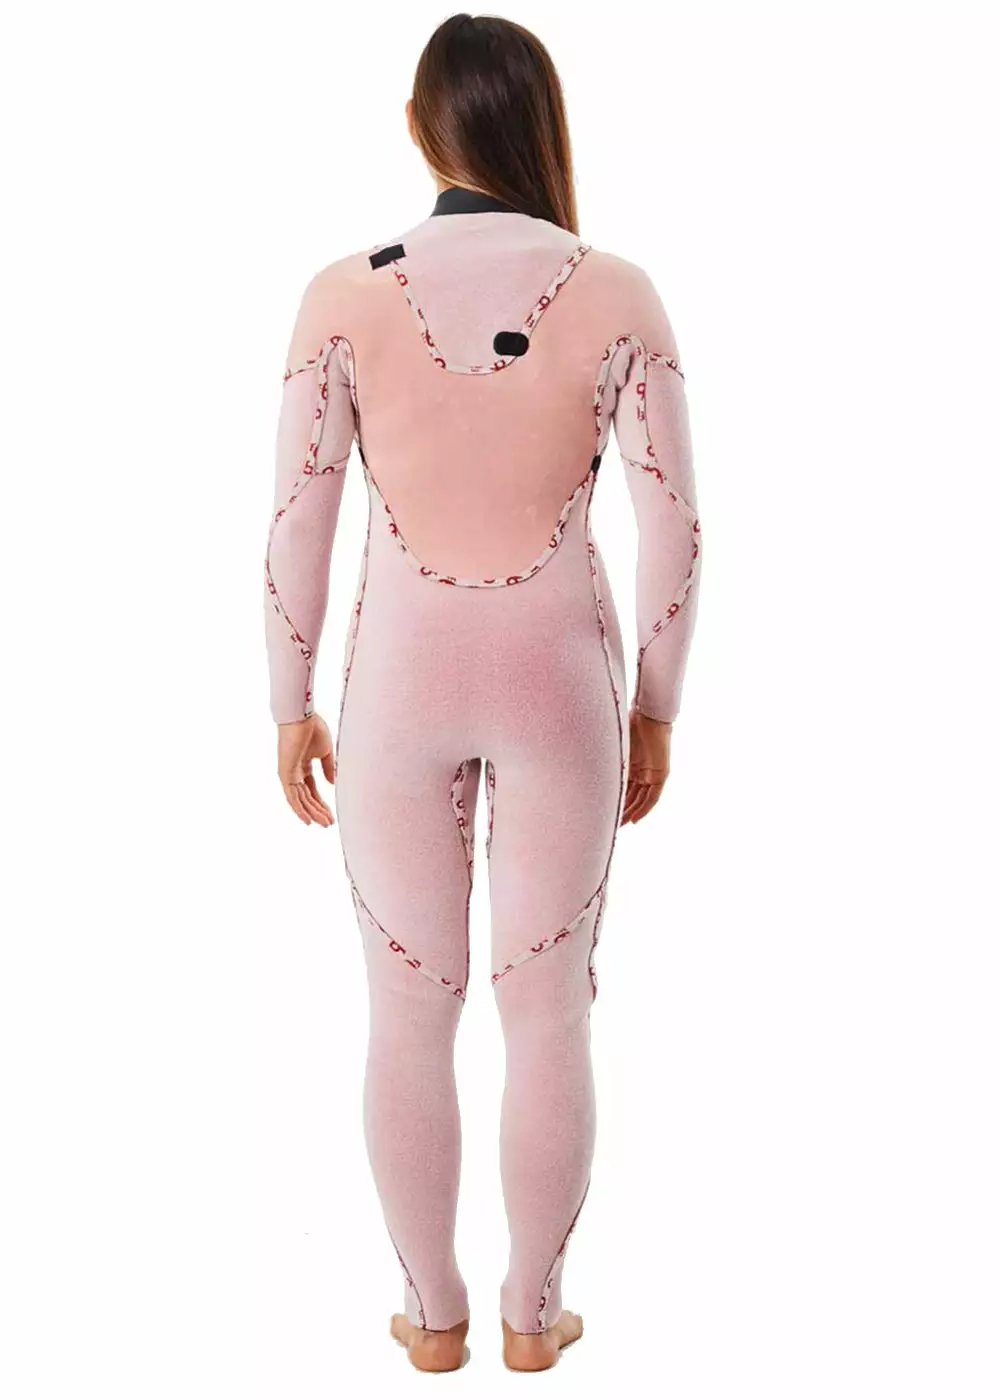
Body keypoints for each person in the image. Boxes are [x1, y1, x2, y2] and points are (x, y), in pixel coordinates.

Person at [264, 12, 700, 1374]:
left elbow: (296, 523)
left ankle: (432, 1316)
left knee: (408, 1012)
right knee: (547, 1008)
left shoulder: (341, 296)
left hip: (394, 688)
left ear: (418, 127)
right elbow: (676, 528)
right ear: (542, 126)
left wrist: (287, 700)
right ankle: (533, 1315)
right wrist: (655, 709)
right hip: (562, 684)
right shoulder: (617, 291)